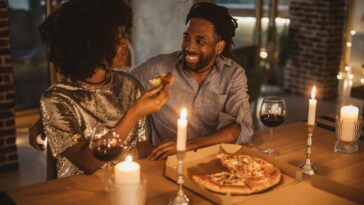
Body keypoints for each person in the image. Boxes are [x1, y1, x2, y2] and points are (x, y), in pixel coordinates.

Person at [38, 0, 172, 178]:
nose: (125, 42)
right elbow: (88, 163)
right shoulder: (56, 100)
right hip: (78, 192)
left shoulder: (129, 85)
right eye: (116, 39)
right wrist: (134, 114)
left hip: (127, 185)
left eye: (124, 35)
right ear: (89, 45)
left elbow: (143, 151)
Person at [131, 2, 253, 160]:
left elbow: (242, 129)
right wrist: (143, 146)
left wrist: (186, 146)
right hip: (166, 164)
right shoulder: (158, 68)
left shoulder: (233, 74)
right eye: (186, 37)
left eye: (200, 41)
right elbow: (122, 88)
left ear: (219, 47)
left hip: (215, 162)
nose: (189, 47)